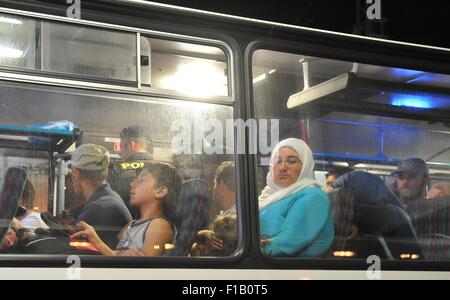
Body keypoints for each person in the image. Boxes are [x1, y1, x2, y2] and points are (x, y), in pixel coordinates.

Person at [71, 161, 182, 256]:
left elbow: (143, 271)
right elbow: (114, 253)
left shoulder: (159, 225)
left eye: (142, 179)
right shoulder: (130, 225)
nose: (132, 183)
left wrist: (98, 242)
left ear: (160, 190)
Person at [258, 138, 334, 257]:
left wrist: (245, 247)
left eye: (292, 161)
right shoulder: (268, 196)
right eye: (277, 161)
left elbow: (284, 244)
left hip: (296, 273)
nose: (282, 167)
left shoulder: (313, 197)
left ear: (305, 166)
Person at [68, 143, 132, 248]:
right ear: (105, 173)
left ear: (76, 173)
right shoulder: (108, 200)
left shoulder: (99, 208)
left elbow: (73, 253)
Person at [190, 161, 237, 256]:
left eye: (214, 184)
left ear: (222, 185)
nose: (213, 189)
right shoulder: (229, 214)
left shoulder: (233, 220)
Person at [108, 125, 154, 219]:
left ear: (131, 145)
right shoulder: (164, 170)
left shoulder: (115, 170)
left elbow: (109, 205)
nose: (120, 153)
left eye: (121, 147)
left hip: (124, 226)